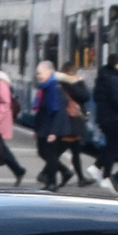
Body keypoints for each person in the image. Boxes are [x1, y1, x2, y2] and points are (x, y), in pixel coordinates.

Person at [31, 59, 74, 189]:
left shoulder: (55, 88)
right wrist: (37, 129)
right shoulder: (43, 88)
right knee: (43, 153)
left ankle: (52, 182)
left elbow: (58, 112)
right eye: (38, 73)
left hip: (53, 128)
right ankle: (64, 172)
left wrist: (53, 132)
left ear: (49, 72)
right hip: (44, 127)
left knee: (50, 154)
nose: (39, 76)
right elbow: (41, 111)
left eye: (41, 73)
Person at [92, 53, 118, 187]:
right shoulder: (114, 79)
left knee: (110, 145)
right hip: (113, 117)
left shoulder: (102, 77)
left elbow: (97, 97)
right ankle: (106, 175)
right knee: (113, 146)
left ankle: (99, 168)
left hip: (103, 116)